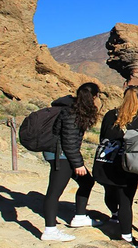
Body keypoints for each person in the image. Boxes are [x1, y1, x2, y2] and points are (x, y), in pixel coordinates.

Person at [41, 82, 103, 242]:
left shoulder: (75, 110)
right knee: (54, 192)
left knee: (87, 182)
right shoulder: (71, 112)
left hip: (64, 154)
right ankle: (50, 230)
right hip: (60, 155)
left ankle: (80, 217)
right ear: (94, 96)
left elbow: (64, 136)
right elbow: (68, 141)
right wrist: (78, 164)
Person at [93, 85, 138, 247]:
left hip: (106, 161)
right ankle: (126, 236)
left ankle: (114, 214)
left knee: (109, 190)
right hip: (128, 164)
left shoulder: (109, 115)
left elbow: (103, 137)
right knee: (126, 201)